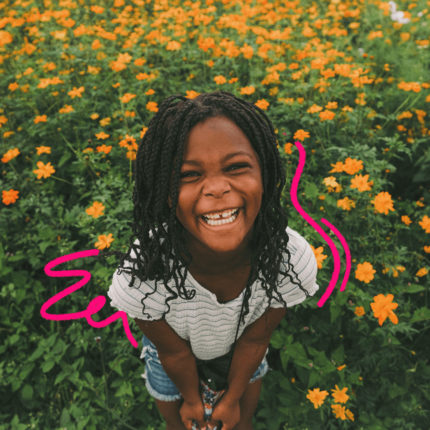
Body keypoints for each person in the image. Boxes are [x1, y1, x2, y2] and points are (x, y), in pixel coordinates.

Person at [107, 91, 319, 430]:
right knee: (181, 424)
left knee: (241, 422)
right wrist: (192, 400)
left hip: (243, 352)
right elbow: (174, 354)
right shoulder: (145, 274)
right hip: (171, 361)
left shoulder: (289, 261)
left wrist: (232, 399)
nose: (217, 188)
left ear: (265, 172)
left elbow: (255, 339)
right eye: (189, 175)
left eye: (236, 167)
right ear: (163, 189)